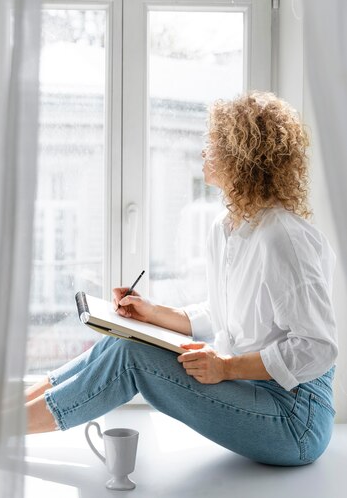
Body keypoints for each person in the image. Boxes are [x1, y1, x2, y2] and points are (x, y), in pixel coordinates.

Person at [26, 91, 338, 466]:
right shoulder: (226, 229)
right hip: (252, 391)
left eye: (214, 143)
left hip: (295, 418)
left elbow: (318, 347)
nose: (204, 151)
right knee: (121, 340)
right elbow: (222, 314)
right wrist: (151, 313)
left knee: (131, 357)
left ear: (243, 157)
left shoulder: (282, 238)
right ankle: (8, 408)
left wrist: (226, 368)